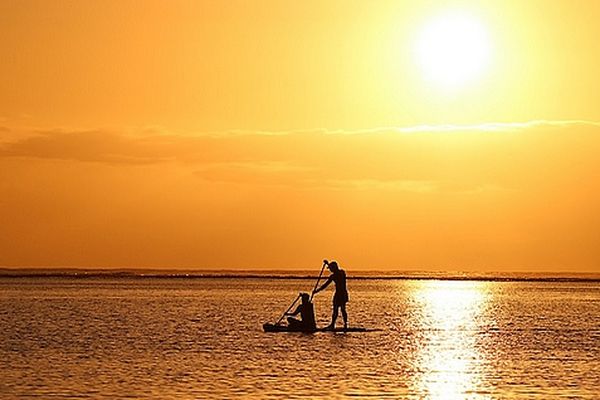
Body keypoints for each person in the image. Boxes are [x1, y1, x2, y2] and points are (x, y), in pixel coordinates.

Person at [313, 260, 348, 330]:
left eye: (331, 269)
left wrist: (328, 264)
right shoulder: (333, 276)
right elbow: (325, 285)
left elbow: (337, 274)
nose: (330, 270)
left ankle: (345, 324)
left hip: (342, 294)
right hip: (337, 294)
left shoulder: (341, 273)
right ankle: (333, 324)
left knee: (343, 309)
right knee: (335, 310)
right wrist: (317, 291)